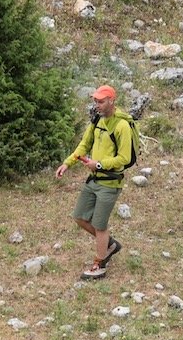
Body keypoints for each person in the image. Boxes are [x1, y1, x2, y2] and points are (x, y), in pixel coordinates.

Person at [56, 84, 134, 279]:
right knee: (79, 217)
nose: (97, 105)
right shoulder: (96, 120)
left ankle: (99, 265)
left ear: (112, 101)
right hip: (93, 180)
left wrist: (98, 164)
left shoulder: (122, 126)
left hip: (110, 182)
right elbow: (84, 144)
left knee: (100, 225)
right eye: (95, 101)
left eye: (100, 101)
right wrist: (68, 163)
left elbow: (124, 158)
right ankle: (110, 244)